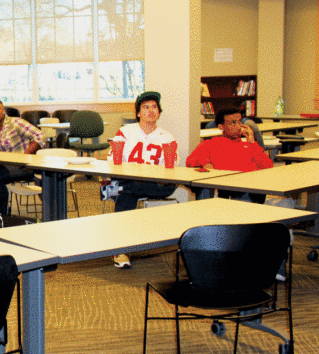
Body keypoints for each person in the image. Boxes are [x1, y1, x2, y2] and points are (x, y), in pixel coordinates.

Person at [107, 91, 178, 268]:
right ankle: (121, 249)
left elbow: (170, 168)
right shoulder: (125, 132)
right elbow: (113, 162)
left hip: (156, 184)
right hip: (128, 181)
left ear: (159, 112)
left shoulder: (167, 137)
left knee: (128, 189)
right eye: (145, 107)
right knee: (128, 190)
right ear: (138, 112)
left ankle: (120, 248)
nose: (150, 111)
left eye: (154, 107)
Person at [187, 107, 273, 203]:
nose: (238, 127)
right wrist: (206, 163)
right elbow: (191, 160)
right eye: (233, 123)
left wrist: (252, 142)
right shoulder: (211, 144)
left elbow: (268, 167)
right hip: (226, 191)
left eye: (239, 122)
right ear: (221, 127)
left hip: (248, 189)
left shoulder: (249, 146)